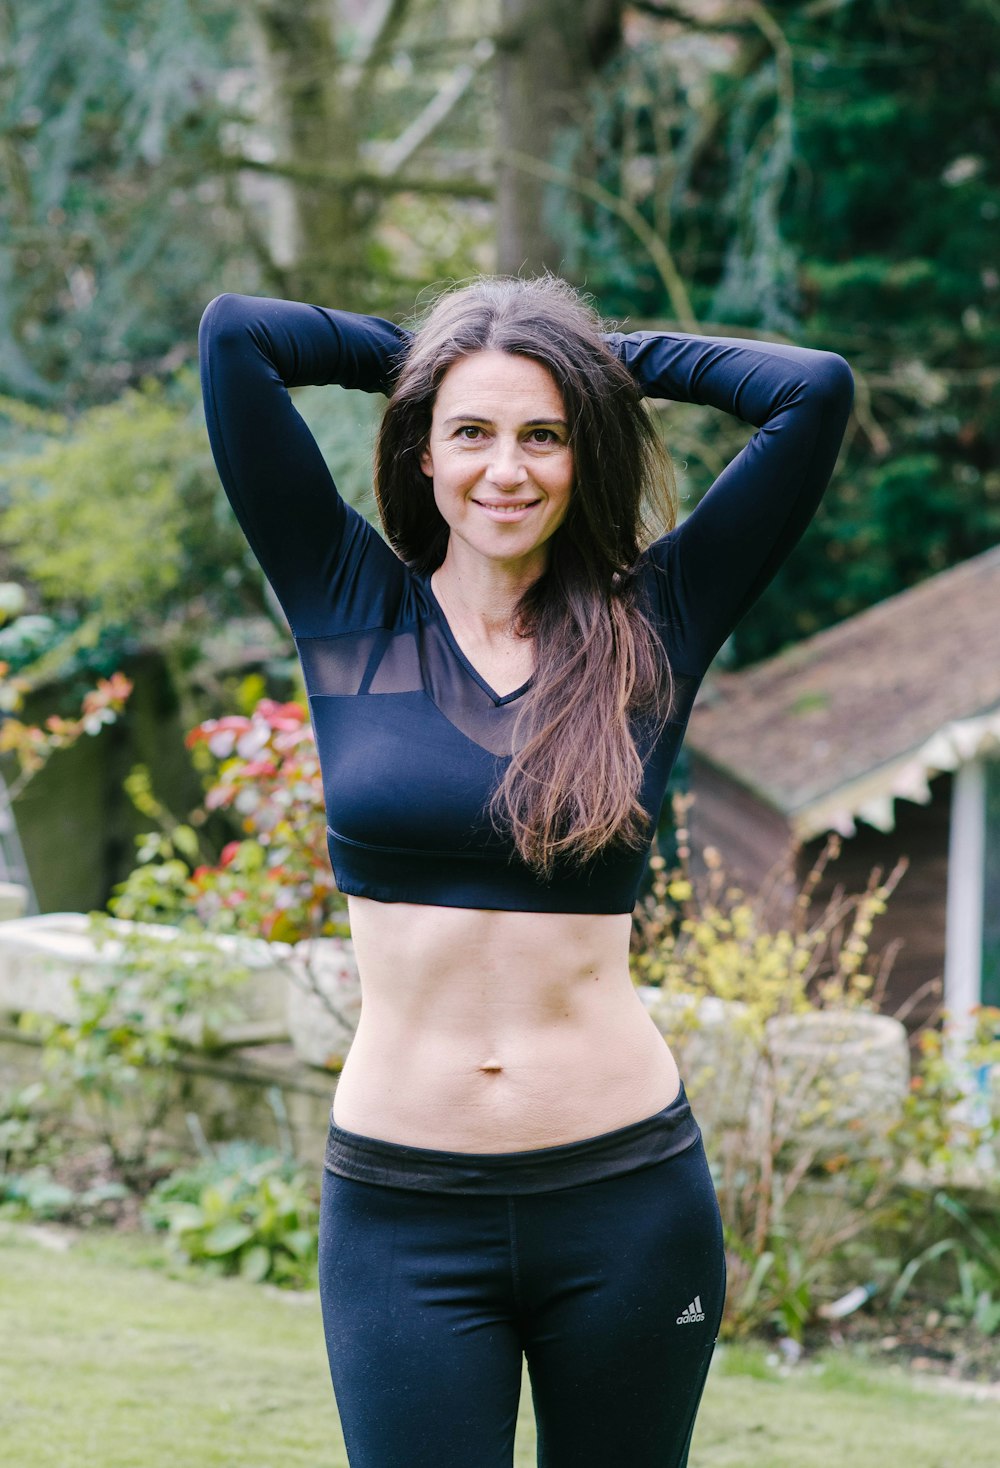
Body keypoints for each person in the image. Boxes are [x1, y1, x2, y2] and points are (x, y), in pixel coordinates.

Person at [198, 275, 853, 1468]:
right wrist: (448, 348)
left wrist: (583, 356)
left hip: (626, 1200)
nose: (507, 467)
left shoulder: (651, 626)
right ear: (424, 451)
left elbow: (808, 392)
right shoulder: (352, 613)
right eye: (472, 432)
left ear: (580, 449)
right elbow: (236, 339)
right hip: (402, 1212)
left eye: (543, 434)